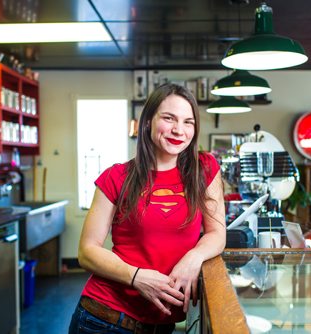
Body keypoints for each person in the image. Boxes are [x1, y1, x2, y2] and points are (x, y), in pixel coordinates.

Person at [69, 83, 226, 334]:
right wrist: (137, 277)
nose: (179, 130)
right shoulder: (116, 177)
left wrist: (193, 258)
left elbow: (216, 233)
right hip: (105, 319)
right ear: (147, 122)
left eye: (188, 122)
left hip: (160, 325)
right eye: (169, 118)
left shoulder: (204, 169)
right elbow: (87, 251)